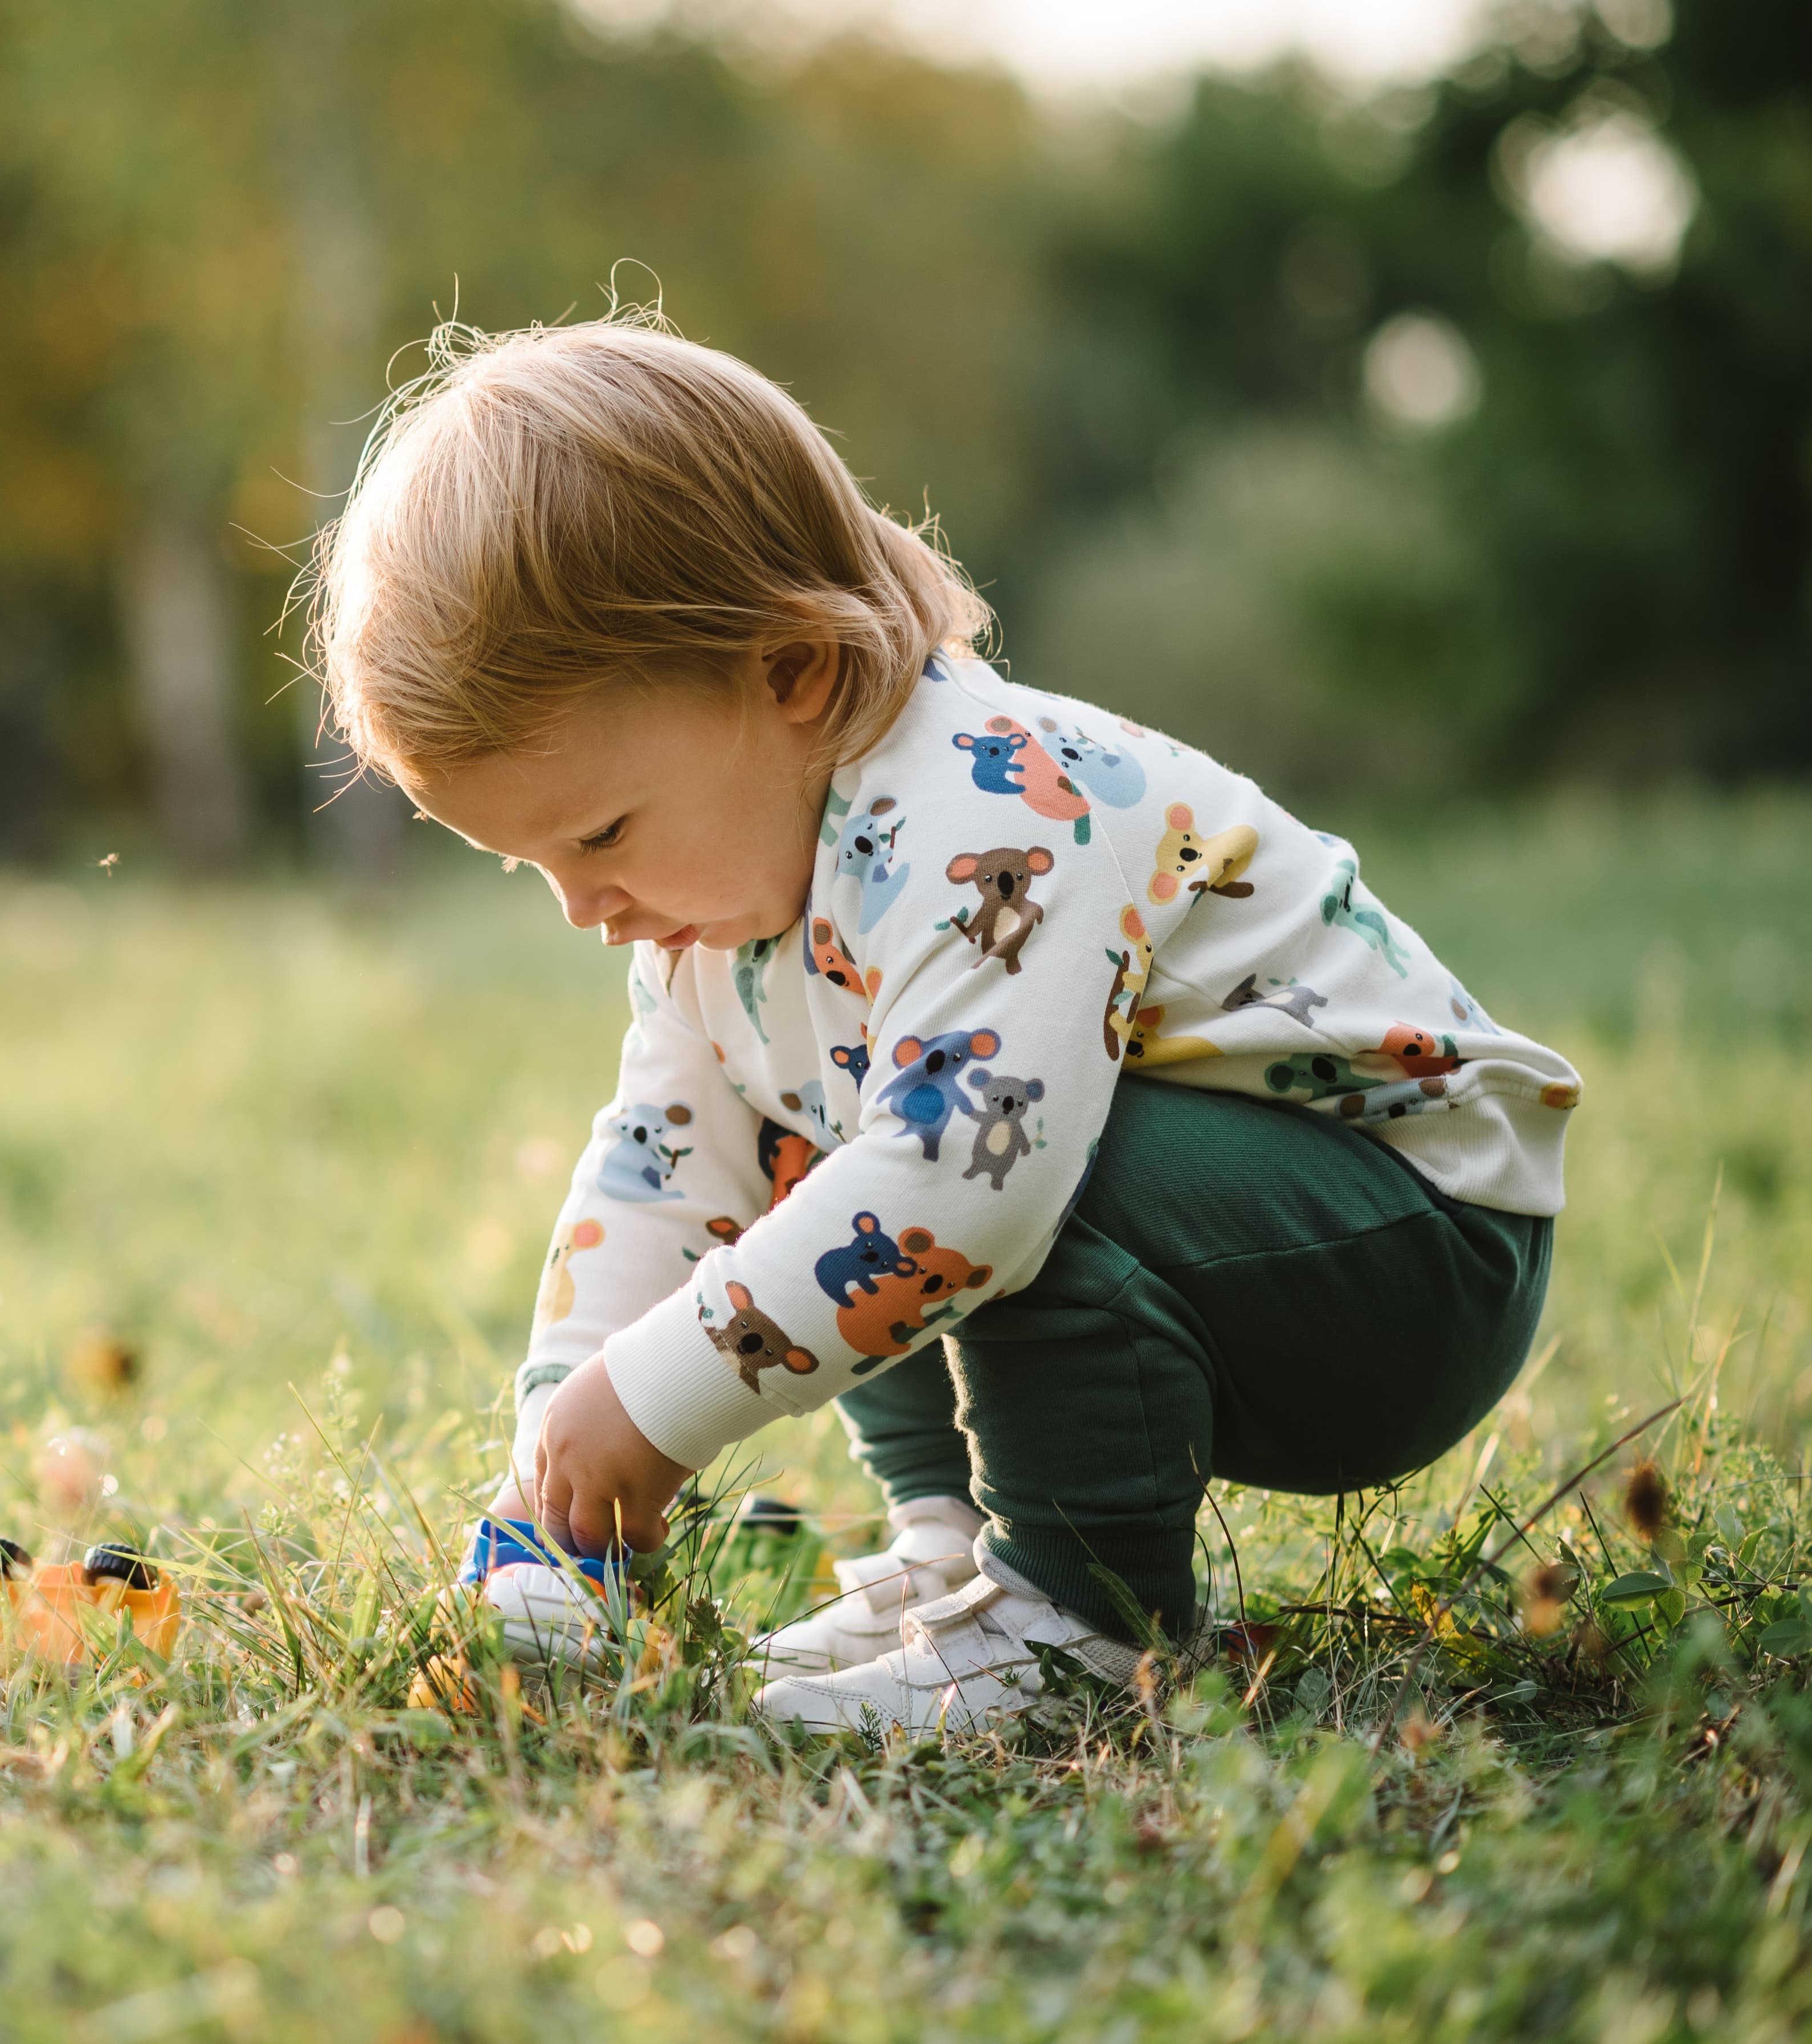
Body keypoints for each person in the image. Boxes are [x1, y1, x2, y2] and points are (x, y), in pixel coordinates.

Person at [309, 313, 1577, 1735]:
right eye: (528, 862)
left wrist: (655, 1407)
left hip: (1406, 1248)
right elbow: (658, 1176)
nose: (582, 907)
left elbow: (967, 1196)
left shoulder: (993, 813)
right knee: (836, 1156)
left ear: (787, 672)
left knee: (960, 1159)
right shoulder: (713, 912)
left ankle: (1080, 1628)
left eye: (601, 832)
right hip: (1232, 1241)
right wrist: (561, 1458)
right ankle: (953, 1554)